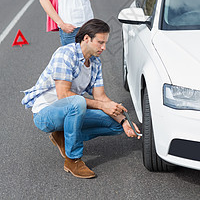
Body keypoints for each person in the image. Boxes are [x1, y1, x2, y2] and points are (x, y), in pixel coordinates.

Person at [21, 19, 140, 179]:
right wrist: (101, 106)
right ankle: (73, 160)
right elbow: (64, 95)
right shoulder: (65, 54)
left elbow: (101, 97)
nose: (104, 47)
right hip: (46, 114)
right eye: (100, 42)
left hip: (71, 111)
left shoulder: (95, 63)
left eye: (105, 43)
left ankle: (63, 135)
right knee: (77, 102)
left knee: (116, 124)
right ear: (86, 39)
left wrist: (124, 121)